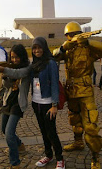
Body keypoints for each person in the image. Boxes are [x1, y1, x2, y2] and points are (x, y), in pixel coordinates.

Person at [53, 22, 102, 169]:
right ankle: (78, 142)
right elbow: (53, 56)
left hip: (85, 90)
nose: (73, 37)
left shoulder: (88, 49)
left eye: (75, 34)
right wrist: (63, 48)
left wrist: (89, 42)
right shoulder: (67, 49)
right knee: (74, 118)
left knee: (90, 124)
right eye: (70, 35)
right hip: (71, 90)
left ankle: (95, 156)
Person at [0, 44, 31, 169]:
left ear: (22, 57)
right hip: (8, 101)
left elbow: (18, 74)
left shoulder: (28, 68)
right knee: (4, 129)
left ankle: (15, 163)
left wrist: (3, 70)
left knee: (9, 133)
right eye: (12, 57)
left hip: (18, 104)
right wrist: (2, 74)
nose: (14, 60)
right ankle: (19, 145)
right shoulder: (9, 67)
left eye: (17, 57)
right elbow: (7, 85)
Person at [31, 37, 65, 169]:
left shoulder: (51, 63)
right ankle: (48, 155)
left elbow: (55, 85)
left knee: (51, 132)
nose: (37, 50)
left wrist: (54, 105)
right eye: (34, 48)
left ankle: (60, 158)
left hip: (48, 103)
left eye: (39, 47)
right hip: (36, 102)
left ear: (44, 48)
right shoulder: (34, 63)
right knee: (43, 132)